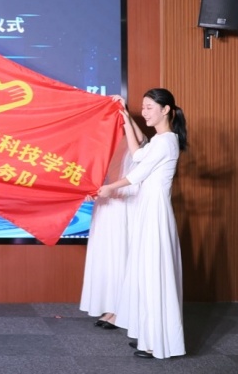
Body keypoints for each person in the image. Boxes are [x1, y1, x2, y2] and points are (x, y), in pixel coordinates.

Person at [98, 88, 187, 360]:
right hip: (147, 209)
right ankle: (149, 335)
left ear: (165, 110)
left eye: (149, 107)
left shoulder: (166, 141)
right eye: (143, 107)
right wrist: (125, 115)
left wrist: (110, 188)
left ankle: (157, 343)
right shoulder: (160, 140)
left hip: (155, 212)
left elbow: (137, 174)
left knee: (153, 274)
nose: (145, 112)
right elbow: (137, 155)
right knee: (145, 273)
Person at [80, 95, 147, 330]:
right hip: (105, 203)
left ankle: (121, 310)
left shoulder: (133, 137)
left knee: (121, 255)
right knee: (106, 257)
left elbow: (141, 142)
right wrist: (89, 191)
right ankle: (110, 307)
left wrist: (124, 112)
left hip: (126, 202)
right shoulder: (99, 142)